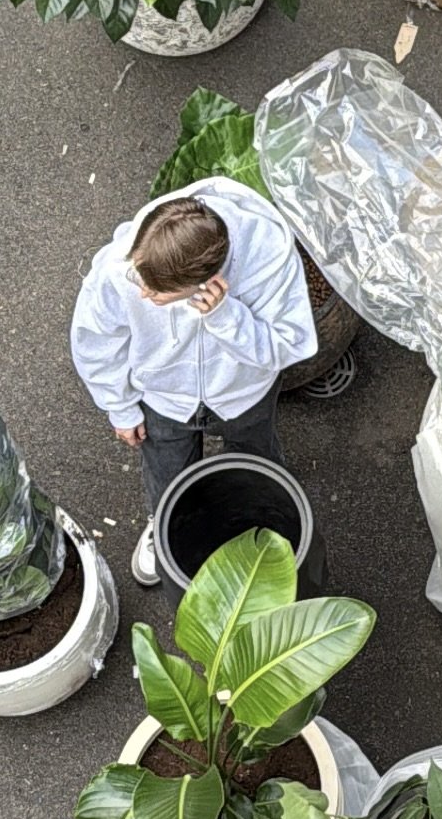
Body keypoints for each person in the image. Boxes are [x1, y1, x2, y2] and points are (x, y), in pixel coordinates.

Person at [69, 179, 317, 586]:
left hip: (243, 394)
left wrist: (227, 320)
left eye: (159, 292)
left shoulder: (268, 257)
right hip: (165, 396)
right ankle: (163, 524)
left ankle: (264, 528)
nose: (144, 294)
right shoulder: (126, 264)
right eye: (140, 281)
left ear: (207, 284)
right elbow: (96, 339)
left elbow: (287, 346)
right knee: (165, 469)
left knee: (256, 458)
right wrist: (120, 405)